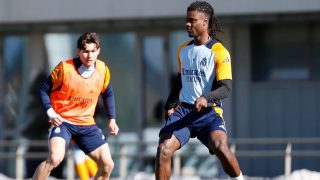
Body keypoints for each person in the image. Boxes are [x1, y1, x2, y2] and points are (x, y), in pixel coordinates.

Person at [155, 1, 244, 180]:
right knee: (163, 149)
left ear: (205, 22)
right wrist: (170, 104)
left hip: (209, 112)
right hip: (185, 112)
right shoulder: (183, 50)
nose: (188, 24)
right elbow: (180, 81)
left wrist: (206, 97)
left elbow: (226, 88)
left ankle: (239, 178)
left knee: (220, 146)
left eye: (192, 20)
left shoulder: (219, 52)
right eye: (187, 20)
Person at [33, 32, 119, 180]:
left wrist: (112, 119)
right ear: (78, 51)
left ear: (98, 50)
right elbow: (43, 90)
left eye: (93, 51)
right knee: (55, 159)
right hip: (63, 121)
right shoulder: (64, 68)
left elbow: (108, 93)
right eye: (85, 51)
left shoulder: (103, 69)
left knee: (108, 165)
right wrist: (51, 112)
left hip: (87, 124)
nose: (90, 55)